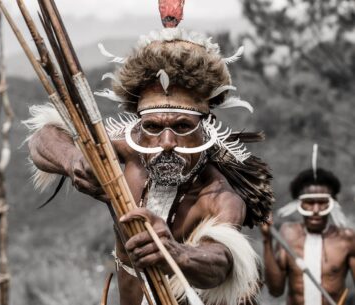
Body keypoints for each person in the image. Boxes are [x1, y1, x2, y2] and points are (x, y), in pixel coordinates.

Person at [25, 27, 273, 305]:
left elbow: (220, 262)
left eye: (182, 126)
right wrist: (73, 161)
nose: (166, 142)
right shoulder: (128, 148)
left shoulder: (218, 195)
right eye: (153, 127)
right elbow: (43, 139)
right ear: (139, 128)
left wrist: (176, 254)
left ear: (205, 128)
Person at [261, 167, 355, 305]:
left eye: (322, 203)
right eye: (309, 203)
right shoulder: (287, 234)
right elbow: (275, 291)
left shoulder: (346, 238)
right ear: (298, 204)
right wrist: (266, 240)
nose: (316, 210)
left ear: (332, 204)